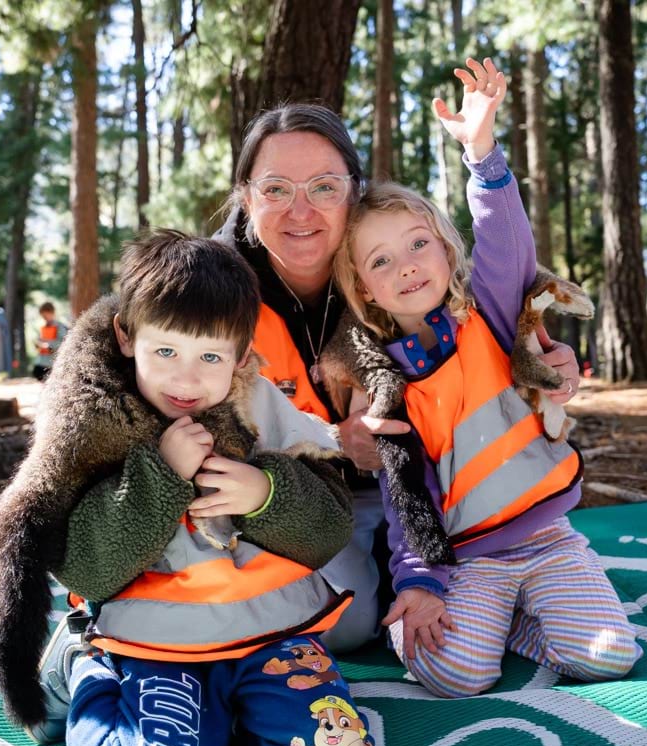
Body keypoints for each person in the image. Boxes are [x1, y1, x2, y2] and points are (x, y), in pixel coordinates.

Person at [0, 231, 373, 746]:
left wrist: (265, 493)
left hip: (271, 636)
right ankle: (87, 667)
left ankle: (233, 710)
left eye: (210, 357)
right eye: (165, 352)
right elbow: (88, 569)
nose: (187, 381)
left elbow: (331, 527)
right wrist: (160, 477)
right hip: (153, 643)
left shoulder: (262, 405)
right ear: (126, 337)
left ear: (241, 357)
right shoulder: (97, 424)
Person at [217, 102, 581, 653]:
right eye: (275, 189)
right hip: (288, 496)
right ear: (246, 196)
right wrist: (335, 442)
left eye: (323, 187)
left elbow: (494, 295)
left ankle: (478, 594)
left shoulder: (388, 259)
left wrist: (538, 357)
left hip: (423, 486)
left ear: (353, 191)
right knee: (346, 625)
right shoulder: (211, 289)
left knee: (420, 589)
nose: (300, 211)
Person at [329, 57, 640, 698]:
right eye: (382, 260)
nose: (408, 267)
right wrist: (418, 586)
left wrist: (482, 153)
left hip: (548, 536)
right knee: (452, 673)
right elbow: (407, 499)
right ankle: (505, 623)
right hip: (470, 557)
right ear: (366, 287)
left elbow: (506, 242)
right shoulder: (389, 385)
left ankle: (543, 610)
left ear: (445, 249)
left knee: (609, 658)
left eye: (419, 244)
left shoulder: (489, 316)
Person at [32, 301, 67, 381]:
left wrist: (48, 345)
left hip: (53, 363)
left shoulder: (60, 326)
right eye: (42, 316)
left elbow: (63, 342)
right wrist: (37, 343)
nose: (44, 318)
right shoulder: (44, 327)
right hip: (42, 361)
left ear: (51, 312)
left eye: (45, 315)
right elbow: (40, 340)